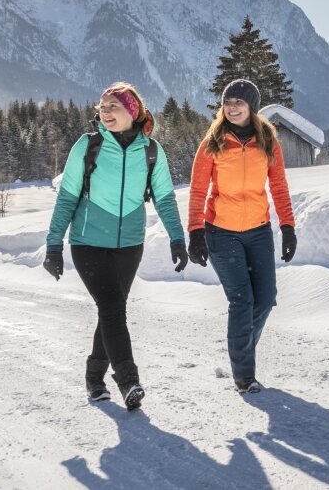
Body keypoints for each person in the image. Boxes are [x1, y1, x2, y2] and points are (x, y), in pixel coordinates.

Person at [43, 82, 188, 410]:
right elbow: (67, 196)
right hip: (88, 242)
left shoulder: (151, 151)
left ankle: (94, 378)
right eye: (102, 106)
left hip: (130, 245)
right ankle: (128, 380)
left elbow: (165, 198)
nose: (105, 111)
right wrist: (54, 244)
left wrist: (177, 238)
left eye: (114, 106)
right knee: (112, 309)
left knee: (111, 312)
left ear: (132, 111)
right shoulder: (88, 146)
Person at [185, 78, 297, 394]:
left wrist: (287, 227)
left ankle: (241, 351)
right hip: (221, 231)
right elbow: (197, 189)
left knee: (265, 299)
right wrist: (195, 231)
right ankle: (244, 375)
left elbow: (279, 186)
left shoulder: (268, 141)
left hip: (259, 230)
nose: (232, 107)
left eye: (239, 102)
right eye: (228, 102)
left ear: (252, 107)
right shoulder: (213, 142)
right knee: (242, 300)